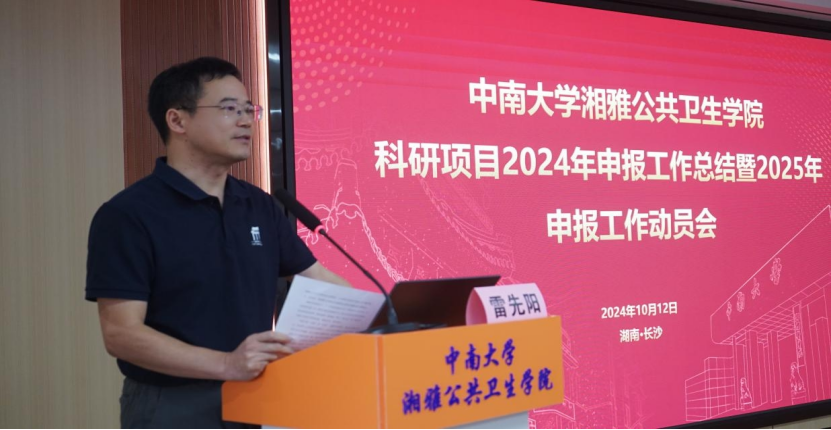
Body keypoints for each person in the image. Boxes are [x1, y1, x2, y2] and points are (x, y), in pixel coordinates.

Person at [85, 57, 350, 429]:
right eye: (229, 109)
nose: (246, 121)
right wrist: (227, 364)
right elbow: (121, 334)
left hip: (258, 392)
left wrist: (389, 317)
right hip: (173, 404)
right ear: (177, 120)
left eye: (249, 110)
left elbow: (317, 279)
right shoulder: (129, 214)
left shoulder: (260, 205)